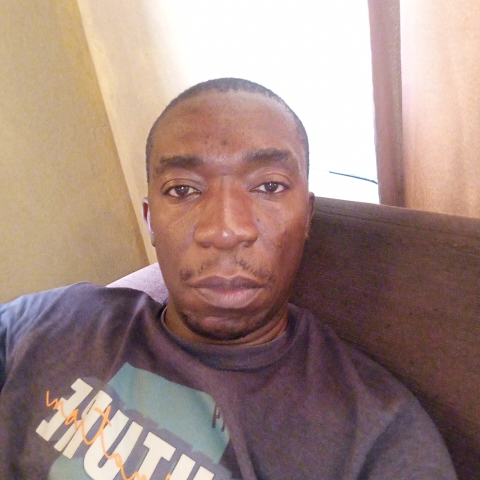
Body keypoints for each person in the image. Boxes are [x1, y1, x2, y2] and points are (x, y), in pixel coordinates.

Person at [0, 78, 457, 480]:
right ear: (150, 221)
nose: (224, 230)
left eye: (269, 186)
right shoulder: (49, 320)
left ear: (307, 217)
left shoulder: (377, 437)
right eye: (183, 189)